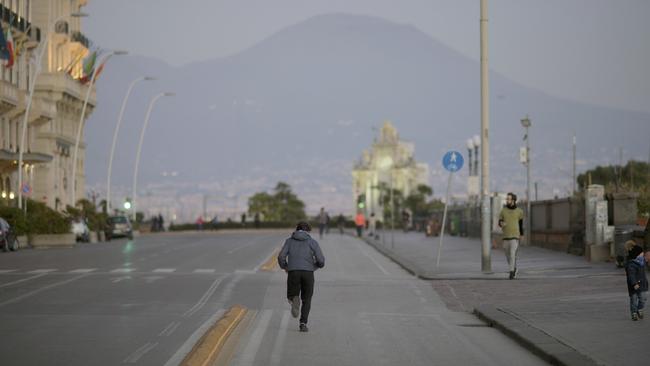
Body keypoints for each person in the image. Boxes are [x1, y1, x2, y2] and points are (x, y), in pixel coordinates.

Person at [277, 222, 325, 332]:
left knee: (292, 294)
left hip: (293, 271)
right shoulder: (312, 242)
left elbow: (281, 256)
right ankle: (303, 323)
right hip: (308, 272)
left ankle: (294, 299)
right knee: (307, 299)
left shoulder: (289, 241)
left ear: (296, 229)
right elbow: (321, 260)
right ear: (307, 231)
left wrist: (285, 267)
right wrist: (316, 266)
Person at [498, 192, 524, 280]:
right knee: (507, 255)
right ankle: (514, 268)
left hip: (515, 236)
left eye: (508, 199)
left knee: (512, 254)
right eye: (507, 199)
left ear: (513, 200)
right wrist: (501, 224)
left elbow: (521, 224)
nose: (507, 200)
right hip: (505, 236)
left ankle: (511, 272)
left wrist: (522, 235)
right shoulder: (503, 210)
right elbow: (500, 222)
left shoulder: (519, 211)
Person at [625, 245, 648, 321]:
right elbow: (631, 275)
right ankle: (634, 313)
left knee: (643, 299)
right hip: (634, 285)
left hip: (642, 284)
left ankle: (639, 309)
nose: (643, 254)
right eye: (641, 253)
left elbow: (648, 257)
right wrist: (634, 283)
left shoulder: (642, 261)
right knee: (634, 300)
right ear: (637, 254)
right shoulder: (631, 264)